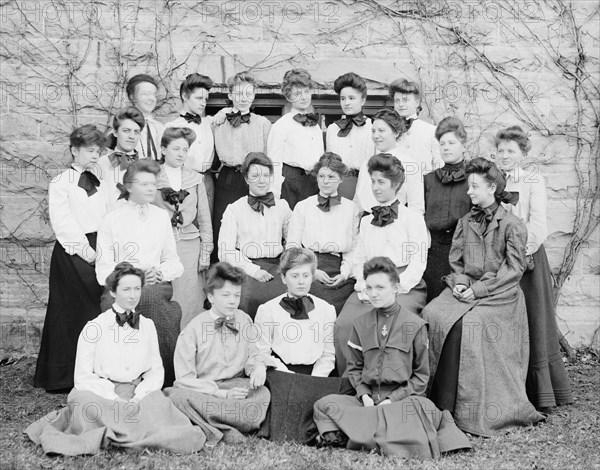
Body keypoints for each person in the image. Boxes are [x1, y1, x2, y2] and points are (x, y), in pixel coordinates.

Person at [26, 262, 205, 455]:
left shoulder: (147, 325)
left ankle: (129, 430)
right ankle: (128, 432)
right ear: (113, 292)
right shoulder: (94, 327)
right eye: (126, 289)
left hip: (136, 390)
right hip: (102, 392)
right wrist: (114, 397)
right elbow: (83, 377)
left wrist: (139, 395)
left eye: (137, 289)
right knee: (84, 402)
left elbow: (155, 370)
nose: (133, 295)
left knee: (160, 403)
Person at [422, 157, 545, 437]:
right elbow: (457, 262)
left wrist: (477, 290)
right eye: (468, 186)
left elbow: (514, 270)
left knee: (471, 324)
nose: (469, 192)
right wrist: (460, 284)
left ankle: (467, 408)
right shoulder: (467, 221)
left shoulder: (513, 225)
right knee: (432, 313)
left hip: (500, 296)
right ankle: (436, 401)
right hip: (468, 288)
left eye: (474, 186)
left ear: (492, 187)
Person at [313, 257, 471, 458]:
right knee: (325, 404)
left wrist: (391, 400)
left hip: (401, 402)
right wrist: (364, 395)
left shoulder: (414, 325)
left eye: (380, 287)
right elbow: (354, 368)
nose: (373, 293)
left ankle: (355, 434)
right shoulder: (360, 323)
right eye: (369, 288)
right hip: (367, 403)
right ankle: (382, 435)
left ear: (396, 288)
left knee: (422, 409)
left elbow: (421, 378)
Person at [495, 126, 573, 410]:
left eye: (511, 151)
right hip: (499, 260)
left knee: (533, 319)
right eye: (501, 151)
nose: (505, 155)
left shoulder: (532, 179)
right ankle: (508, 387)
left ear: (523, 154)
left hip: (528, 259)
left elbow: (539, 224)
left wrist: (520, 253)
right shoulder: (492, 180)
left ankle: (540, 392)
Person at [336, 153, 428, 375]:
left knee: (388, 326)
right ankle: (353, 384)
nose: (376, 187)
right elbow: (359, 258)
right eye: (373, 181)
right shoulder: (367, 220)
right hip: (371, 283)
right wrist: (365, 283)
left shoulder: (412, 218)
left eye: (382, 182)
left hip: (403, 284)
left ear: (395, 185)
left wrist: (396, 288)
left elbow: (418, 261)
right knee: (345, 324)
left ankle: (388, 385)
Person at [165, 262, 275, 445]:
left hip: (237, 387)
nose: (232, 301)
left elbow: (254, 353)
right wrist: (221, 395)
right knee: (176, 397)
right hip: (205, 391)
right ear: (211, 296)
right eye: (225, 295)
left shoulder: (244, 319)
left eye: (237, 295)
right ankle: (228, 427)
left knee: (262, 393)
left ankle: (211, 424)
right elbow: (184, 380)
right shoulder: (192, 330)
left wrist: (259, 367)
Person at [34, 125, 109, 392]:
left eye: (97, 151)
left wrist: (105, 249)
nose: (94, 155)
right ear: (74, 150)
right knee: (72, 312)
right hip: (73, 252)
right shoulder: (61, 182)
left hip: (101, 246)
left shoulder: (100, 181)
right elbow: (63, 224)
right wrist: (88, 254)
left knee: (96, 311)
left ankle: (93, 374)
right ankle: (62, 377)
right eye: (89, 150)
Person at [96, 159, 184, 387]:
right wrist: (132, 280)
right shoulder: (111, 219)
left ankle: (163, 381)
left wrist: (161, 272)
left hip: (156, 285)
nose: (150, 188)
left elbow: (174, 262)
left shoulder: (161, 216)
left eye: (153, 184)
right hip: (121, 287)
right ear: (128, 186)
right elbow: (103, 270)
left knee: (154, 300)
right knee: (131, 301)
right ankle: (123, 378)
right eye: (143, 184)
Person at [218, 152, 291, 318]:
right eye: (255, 175)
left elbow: (293, 240)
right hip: (246, 266)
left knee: (286, 300)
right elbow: (225, 251)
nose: (262, 180)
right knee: (250, 298)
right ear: (246, 179)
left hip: (277, 267)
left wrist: (287, 262)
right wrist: (253, 270)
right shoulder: (234, 209)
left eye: (266, 175)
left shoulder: (282, 206)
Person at [153, 127, 213, 328]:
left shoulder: (195, 178)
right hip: (161, 245)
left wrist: (206, 251)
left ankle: (189, 344)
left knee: (191, 296)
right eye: (175, 149)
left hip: (190, 246)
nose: (181, 154)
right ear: (163, 150)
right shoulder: (152, 178)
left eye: (185, 150)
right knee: (164, 295)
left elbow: (204, 218)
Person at [212, 71, 272, 262]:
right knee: (222, 225)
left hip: (253, 179)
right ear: (230, 95)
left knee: (251, 225)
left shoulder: (263, 123)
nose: (243, 98)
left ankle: (252, 270)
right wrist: (222, 113)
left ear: (254, 95)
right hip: (227, 177)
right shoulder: (218, 121)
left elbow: (269, 157)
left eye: (248, 94)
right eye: (238, 94)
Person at [287, 153, 358, 313]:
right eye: (321, 176)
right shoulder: (303, 206)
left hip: (339, 268)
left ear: (340, 178)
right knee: (310, 301)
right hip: (308, 266)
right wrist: (311, 270)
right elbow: (292, 245)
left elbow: (353, 247)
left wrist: (345, 274)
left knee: (344, 304)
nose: (325, 181)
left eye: (331, 176)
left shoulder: (351, 208)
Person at [254, 247, 336, 376]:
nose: (301, 282)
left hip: (316, 375)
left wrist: (313, 380)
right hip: (280, 373)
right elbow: (262, 353)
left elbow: (328, 354)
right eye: (294, 276)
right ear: (283, 278)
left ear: (312, 277)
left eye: (306, 275)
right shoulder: (267, 310)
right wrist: (290, 377)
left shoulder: (326, 309)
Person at [423, 117, 472, 302]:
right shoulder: (429, 180)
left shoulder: (472, 179)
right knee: (432, 301)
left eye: (452, 142)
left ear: (463, 146)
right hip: (433, 252)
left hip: (462, 252)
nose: (446, 147)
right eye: (442, 143)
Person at [268, 68, 324, 208]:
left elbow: (321, 157)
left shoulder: (315, 126)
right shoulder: (281, 126)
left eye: (306, 91)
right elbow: (274, 162)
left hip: (313, 182)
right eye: (298, 93)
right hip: (290, 183)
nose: (304, 97)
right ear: (288, 97)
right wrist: (274, 194)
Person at [354, 109, 424, 215]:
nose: (376, 136)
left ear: (396, 132)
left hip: (396, 223)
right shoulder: (366, 164)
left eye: (381, 130)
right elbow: (358, 202)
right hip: (367, 224)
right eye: (373, 131)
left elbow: (416, 207)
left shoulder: (410, 164)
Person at [165, 73, 216, 211]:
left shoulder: (210, 123)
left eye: (205, 99)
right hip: (183, 180)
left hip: (207, 181)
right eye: (199, 98)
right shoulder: (171, 127)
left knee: (206, 224)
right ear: (185, 96)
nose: (203, 103)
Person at [325, 72, 373, 199]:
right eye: (343, 98)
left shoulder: (372, 127)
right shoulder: (332, 129)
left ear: (362, 100)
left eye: (352, 98)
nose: (346, 103)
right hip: (338, 187)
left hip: (366, 186)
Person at [389, 78, 442, 173]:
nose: (401, 104)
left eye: (405, 100)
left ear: (416, 103)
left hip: (422, 184)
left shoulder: (431, 131)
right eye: (397, 101)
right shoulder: (389, 130)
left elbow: (439, 164)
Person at [96, 106, 145, 209]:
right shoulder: (99, 164)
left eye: (136, 132)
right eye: (126, 131)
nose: (132, 136)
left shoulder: (146, 165)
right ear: (115, 132)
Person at [126, 74, 164, 161]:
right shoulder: (123, 127)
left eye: (154, 94)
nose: (151, 98)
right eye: (145, 94)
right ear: (132, 97)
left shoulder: (161, 128)